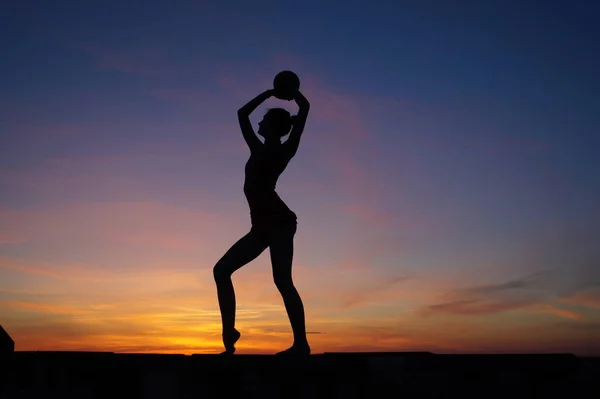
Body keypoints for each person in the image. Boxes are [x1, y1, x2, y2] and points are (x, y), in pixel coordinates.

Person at [213, 86, 311, 356]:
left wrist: (280, 92)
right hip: (260, 227)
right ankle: (229, 333)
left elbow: (302, 111)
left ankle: (301, 344)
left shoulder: (278, 150)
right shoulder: (264, 148)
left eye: (264, 120)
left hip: (279, 223)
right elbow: (243, 114)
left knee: (282, 281)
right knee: (221, 271)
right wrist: (277, 93)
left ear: (272, 127)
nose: (259, 122)